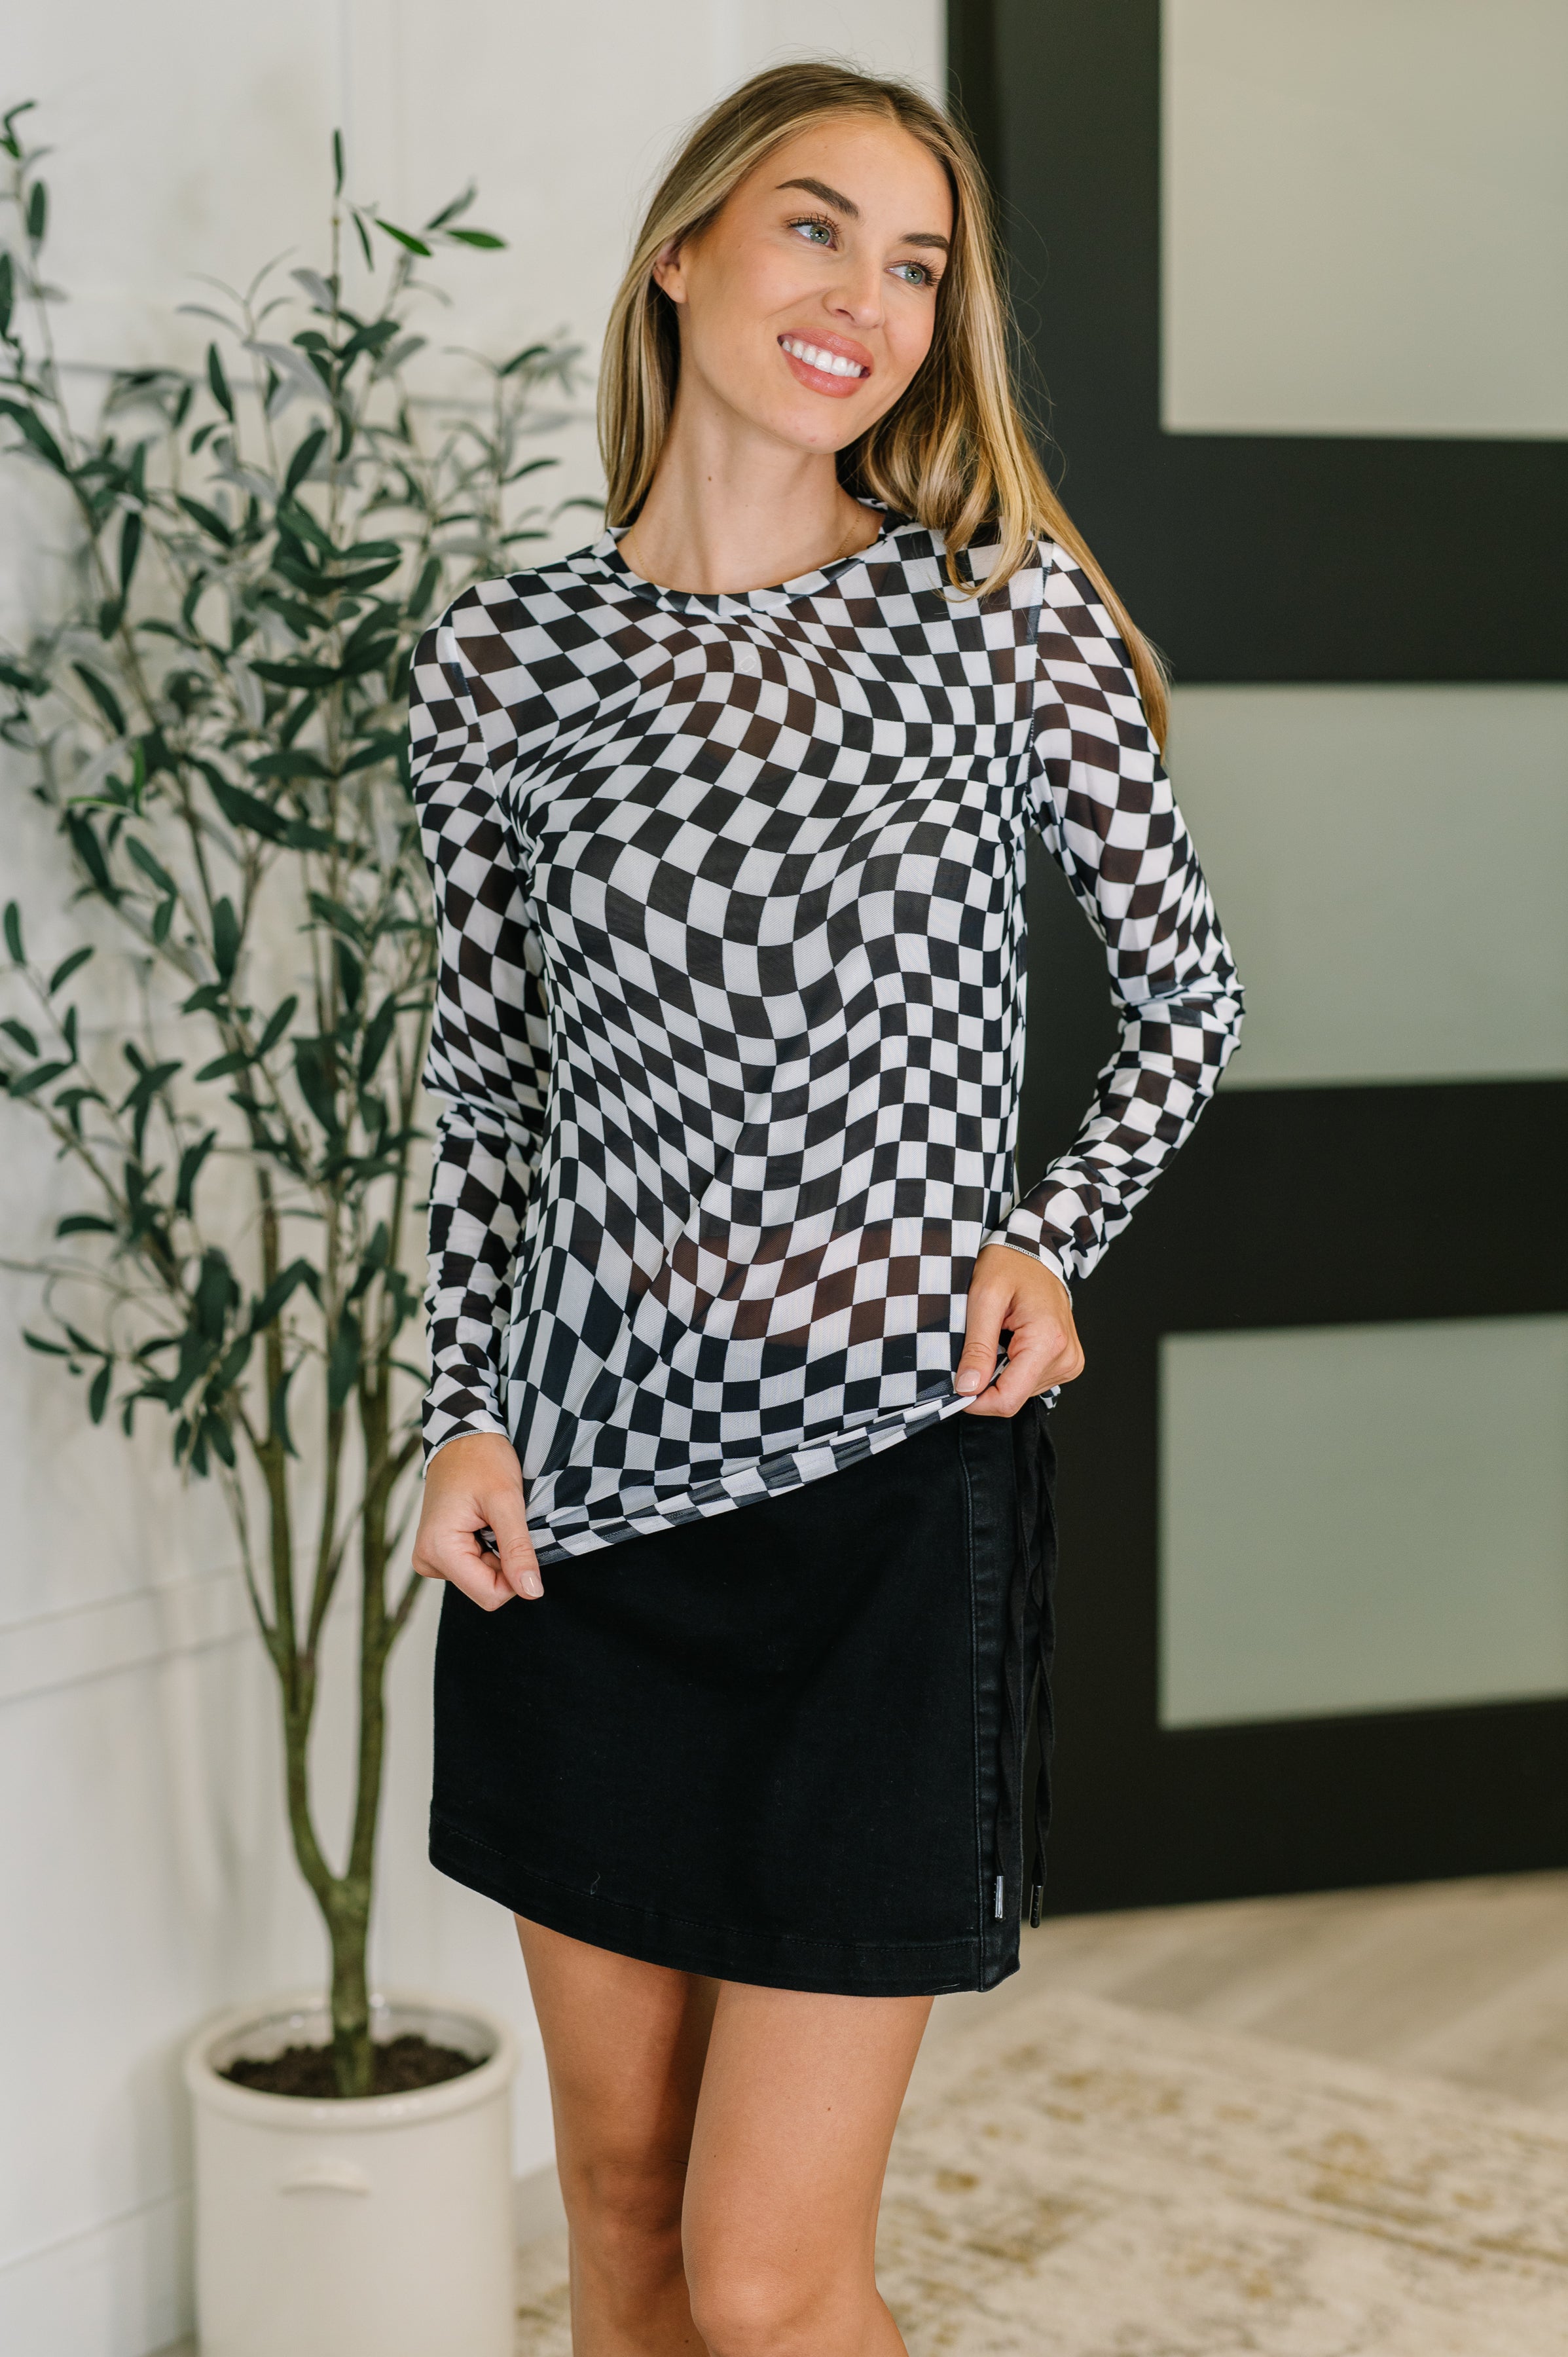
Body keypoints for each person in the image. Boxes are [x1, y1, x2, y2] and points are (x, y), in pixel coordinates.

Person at [408, 60, 1241, 2357]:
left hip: (881, 1494)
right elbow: (487, 1089)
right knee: (619, 2217)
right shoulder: (499, 662)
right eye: (813, 227)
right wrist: (459, 1414)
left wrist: (1048, 1232)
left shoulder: (990, 617)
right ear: (682, 251)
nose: (864, 297)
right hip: (576, 1517)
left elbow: (1184, 991)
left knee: (771, 2286)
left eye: (916, 265)